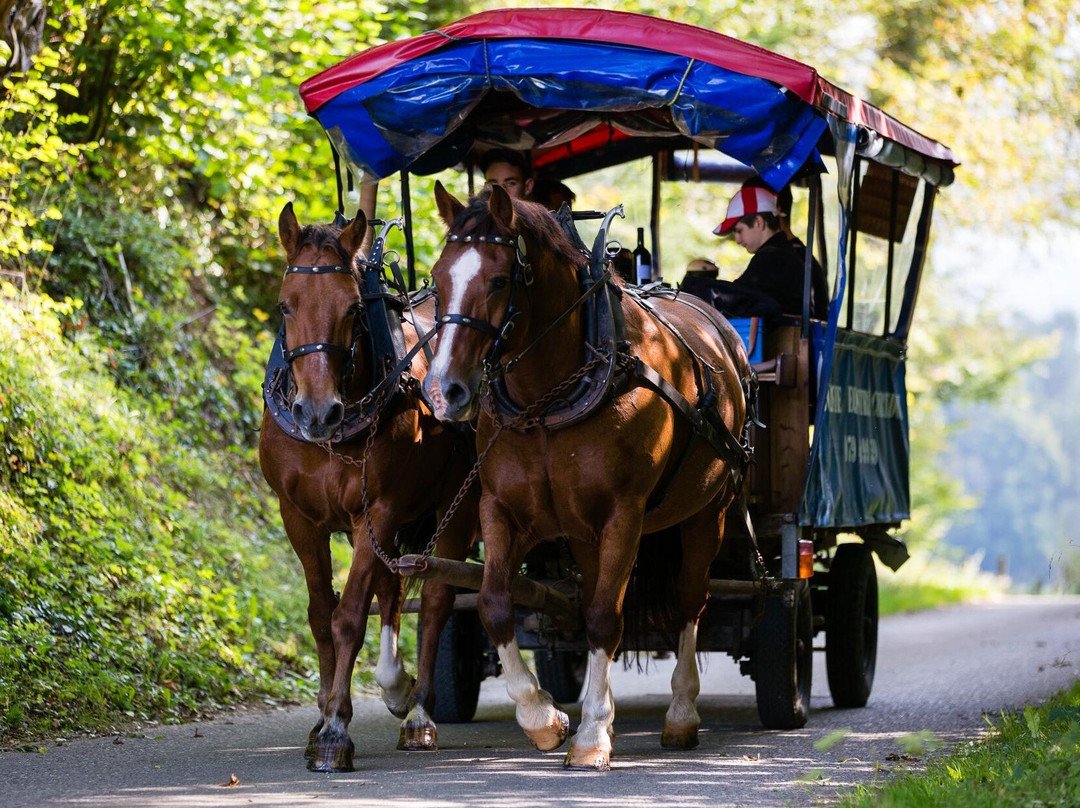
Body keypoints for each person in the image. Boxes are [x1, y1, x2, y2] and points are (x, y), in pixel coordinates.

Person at [714, 184, 827, 320]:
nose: (737, 240)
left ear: (758, 222)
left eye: (739, 231)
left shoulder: (772, 258)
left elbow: (736, 298)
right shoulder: (783, 252)